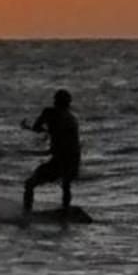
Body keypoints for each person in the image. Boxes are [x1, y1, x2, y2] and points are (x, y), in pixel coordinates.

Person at [22, 88, 80, 218]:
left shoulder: (52, 114)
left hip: (65, 160)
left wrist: (39, 129)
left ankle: (27, 214)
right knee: (65, 183)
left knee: (31, 184)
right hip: (70, 160)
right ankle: (64, 211)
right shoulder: (70, 119)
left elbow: (38, 128)